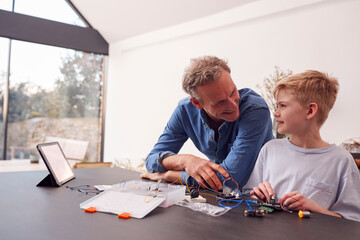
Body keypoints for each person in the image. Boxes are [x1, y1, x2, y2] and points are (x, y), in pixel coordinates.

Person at [141, 56, 274, 190]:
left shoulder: (254, 110)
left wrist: (169, 175)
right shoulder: (184, 111)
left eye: (233, 92)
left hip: (264, 196)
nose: (233, 106)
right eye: (220, 102)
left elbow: (229, 180)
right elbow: (152, 160)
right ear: (197, 103)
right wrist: (186, 161)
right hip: (221, 197)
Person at [243, 70, 360, 221]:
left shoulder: (341, 161)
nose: (276, 113)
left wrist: (314, 208)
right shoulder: (270, 149)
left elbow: (353, 222)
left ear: (310, 110)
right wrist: (256, 194)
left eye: (282, 106)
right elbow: (247, 197)